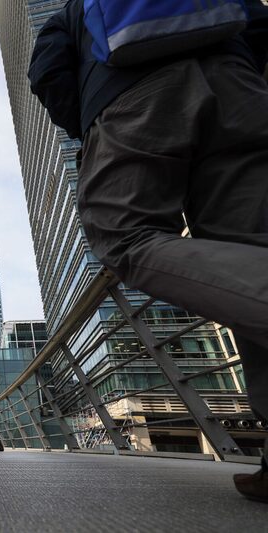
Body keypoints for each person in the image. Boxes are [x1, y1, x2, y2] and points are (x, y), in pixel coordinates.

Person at [28, 0, 268, 501]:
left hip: (132, 91)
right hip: (241, 88)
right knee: (250, 249)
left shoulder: (73, 8)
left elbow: (47, 72)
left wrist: (91, 120)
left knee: (125, 236)